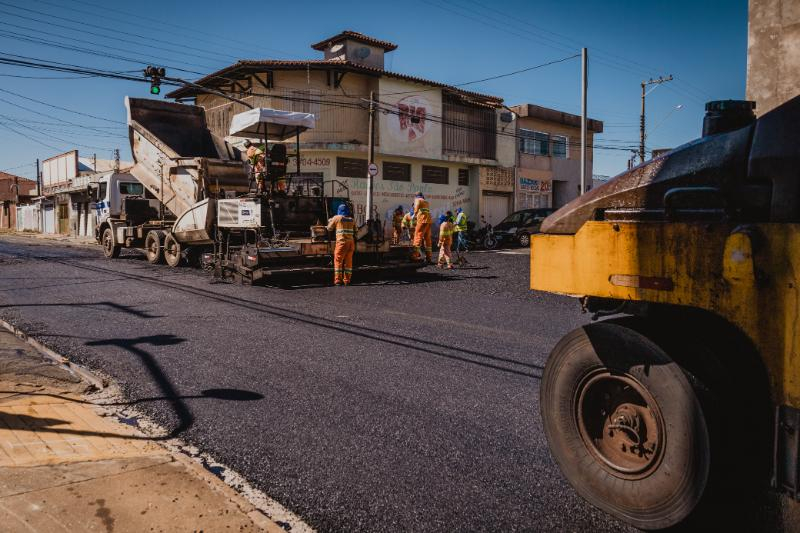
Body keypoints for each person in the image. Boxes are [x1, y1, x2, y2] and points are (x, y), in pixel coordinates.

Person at [327, 203, 356, 286]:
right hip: (351, 243)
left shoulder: (337, 218)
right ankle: (347, 280)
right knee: (348, 262)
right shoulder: (351, 219)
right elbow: (356, 230)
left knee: (338, 261)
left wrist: (330, 221)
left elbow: (329, 228)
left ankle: (338, 280)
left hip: (341, 243)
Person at [412, 192, 432, 262]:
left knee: (418, 237)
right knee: (427, 239)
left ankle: (415, 256)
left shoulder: (418, 200)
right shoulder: (426, 201)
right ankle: (428, 257)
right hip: (428, 221)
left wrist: (414, 214)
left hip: (422, 220)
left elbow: (416, 207)